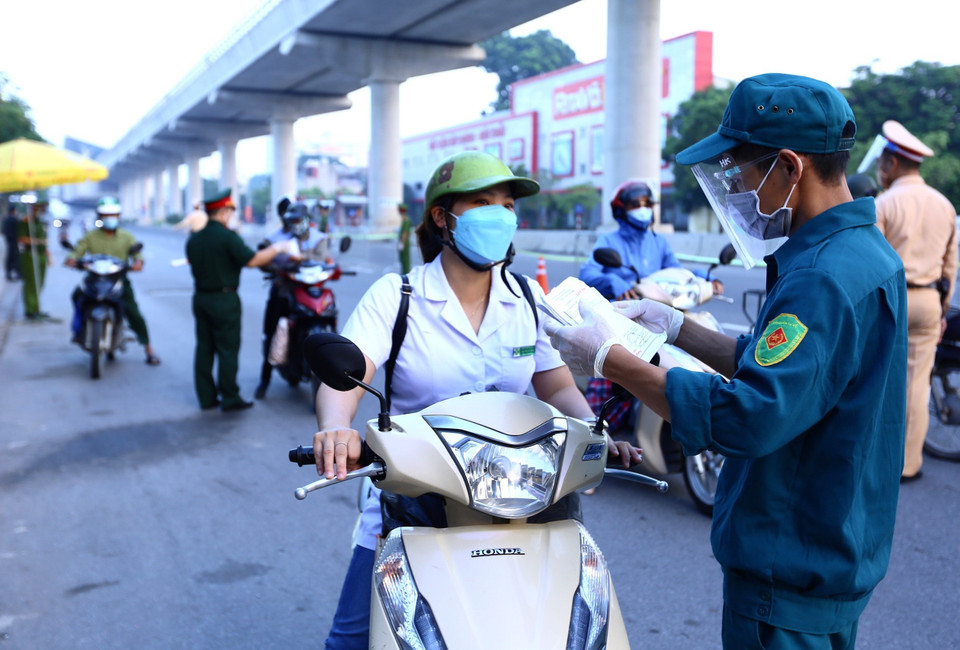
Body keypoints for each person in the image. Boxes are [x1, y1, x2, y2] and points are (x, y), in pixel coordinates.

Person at [544, 74, 907, 649]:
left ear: (790, 168)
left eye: (738, 168)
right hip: (830, 543)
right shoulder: (859, 253)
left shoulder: (820, 278)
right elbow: (794, 376)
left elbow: (750, 416)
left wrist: (611, 359)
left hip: (787, 567)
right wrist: (678, 326)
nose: (733, 185)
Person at [311, 150, 640, 650]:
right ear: (443, 218)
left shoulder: (527, 298)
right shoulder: (397, 296)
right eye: (482, 202)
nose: (501, 215)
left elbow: (555, 386)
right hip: (415, 493)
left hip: (517, 492)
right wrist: (336, 427)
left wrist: (596, 429)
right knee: (353, 639)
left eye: (507, 204)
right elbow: (347, 377)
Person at [578, 179, 722, 431]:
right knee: (608, 367)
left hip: (657, 319)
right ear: (621, 209)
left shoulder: (658, 242)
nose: (643, 209)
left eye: (647, 204)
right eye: (636, 204)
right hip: (623, 320)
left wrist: (704, 278)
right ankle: (597, 427)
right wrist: (614, 281)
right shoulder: (609, 242)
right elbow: (588, 273)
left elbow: (675, 271)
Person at [873, 120, 958, 482]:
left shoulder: (883, 204)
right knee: (916, 383)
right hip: (928, 302)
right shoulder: (945, 206)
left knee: (876, 380)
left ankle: (874, 458)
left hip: (892, 300)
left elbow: (871, 265)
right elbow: (949, 267)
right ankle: (909, 463)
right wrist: (940, 312)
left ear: (891, 164)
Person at [185, 188, 295, 411]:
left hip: (200, 298)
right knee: (227, 349)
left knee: (204, 348)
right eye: (230, 211)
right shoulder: (228, 237)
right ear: (224, 211)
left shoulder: (194, 239)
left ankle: (206, 398)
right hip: (225, 300)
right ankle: (229, 397)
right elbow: (253, 260)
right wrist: (278, 248)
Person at [65, 197, 161, 365]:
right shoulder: (90, 236)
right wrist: (72, 259)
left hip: (118, 279)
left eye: (114, 215)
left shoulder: (126, 236)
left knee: (133, 311)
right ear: (99, 217)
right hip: (94, 278)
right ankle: (78, 331)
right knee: (76, 296)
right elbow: (77, 251)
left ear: (118, 216)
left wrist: (138, 262)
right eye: (106, 215)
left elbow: (136, 254)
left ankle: (148, 348)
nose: (110, 218)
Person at [254, 201, 330, 399]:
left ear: (307, 220)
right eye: (291, 221)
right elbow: (262, 260)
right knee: (271, 333)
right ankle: (264, 380)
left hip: (310, 291)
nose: (295, 224)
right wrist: (276, 267)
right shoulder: (277, 239)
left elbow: (324, 259)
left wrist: (302, 258)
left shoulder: (319, 238)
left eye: (298, 220)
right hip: (284, 293)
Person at [17, 199, 55, 321]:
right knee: (31, 284)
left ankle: (37, 309)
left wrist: (49, 257)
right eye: (39, 208)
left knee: (39, 283)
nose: (42, 210)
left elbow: (45, 242)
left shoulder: (39, 222)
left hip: (41, 255)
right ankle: (30, 310)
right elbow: (22, 239)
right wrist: (37, 241)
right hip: (30, 256)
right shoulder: (26, 222)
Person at [3, 205, 20, 281]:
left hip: (8, 240)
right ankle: (17, 272)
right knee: (15, 257)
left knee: (9, 257)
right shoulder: (14, 219)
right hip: (14, 240)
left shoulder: (6, 219)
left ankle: (9, 273)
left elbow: (3, 230)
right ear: (14, 211)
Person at [396, 202, 412, 273]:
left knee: (405, 260)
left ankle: (406, 274)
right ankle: (404, 273)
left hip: (404, 243)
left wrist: (401, 243)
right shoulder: (404, 219)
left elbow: (404, 233)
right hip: (404, 243)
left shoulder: (406, 220)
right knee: (403, 260)